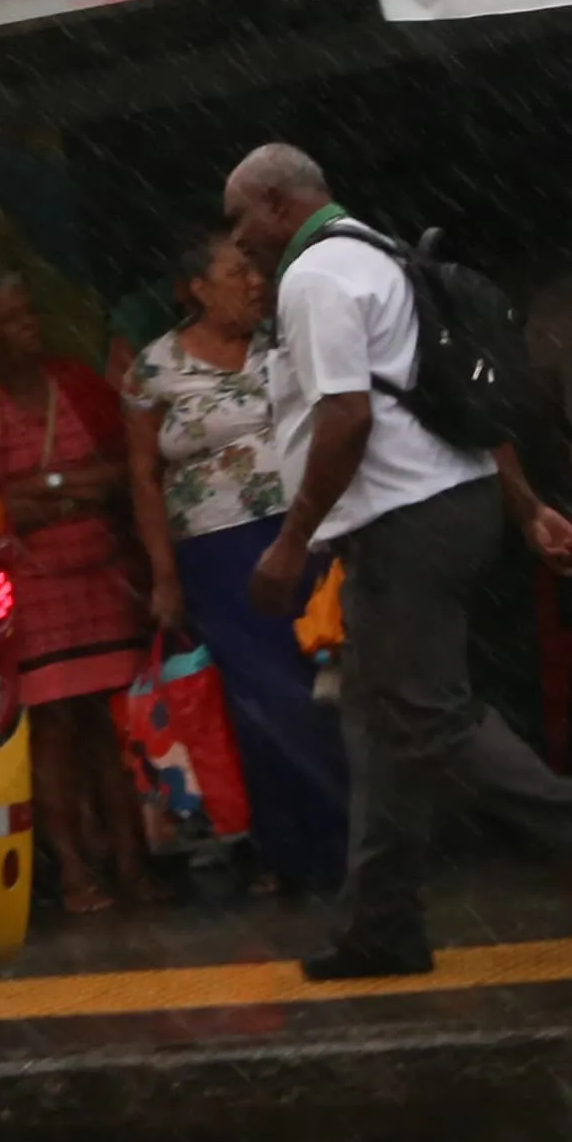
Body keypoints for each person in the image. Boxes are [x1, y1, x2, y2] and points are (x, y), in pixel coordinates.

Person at [225, 144, 572, 982]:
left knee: (428, 720)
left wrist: (290, 545)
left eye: (240, 217)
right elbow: (448, 401)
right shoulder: (380, 252)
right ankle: (379, 924)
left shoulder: (315, 278)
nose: (237, 239)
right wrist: (526, 503)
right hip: (447, 505)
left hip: (406, 525)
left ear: (279, 203)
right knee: (378, 728)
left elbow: (349, 419)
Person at [123, 226, 351, 894]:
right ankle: (292, 851)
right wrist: (163, 574)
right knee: (264, 703)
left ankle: (349, 846)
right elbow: (141, 478)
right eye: (236, 272)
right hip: (219, 555)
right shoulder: (153, 369)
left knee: (328, 690)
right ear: (195, 289)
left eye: (256, 270)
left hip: (302, 534)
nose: (255, 282)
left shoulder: (282, 346)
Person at [0, 272, 155, 913]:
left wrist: (43, 490)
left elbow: (123, 470)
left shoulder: (76, 385)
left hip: (101, 579)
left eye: (29, 313)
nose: (26, 325)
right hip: (32, 589)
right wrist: (70, 488)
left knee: (114, 733)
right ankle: (78, 873)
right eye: (10, 319)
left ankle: (133, 866)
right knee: (54, 734)